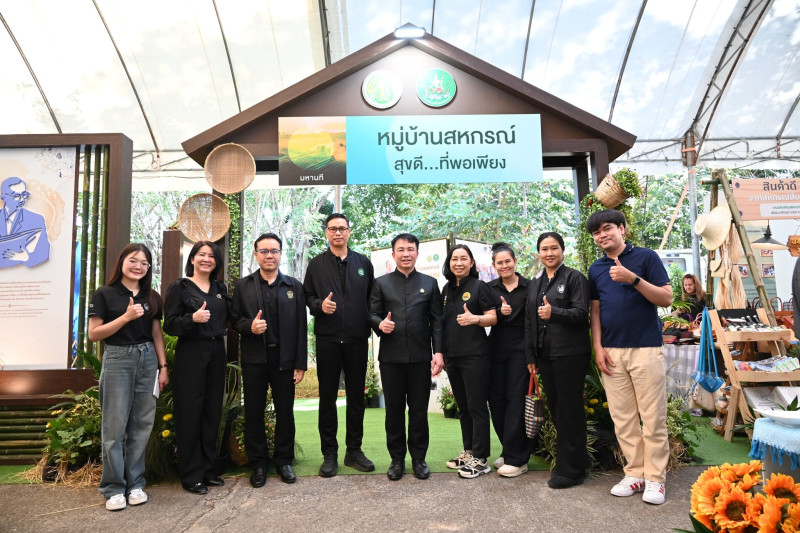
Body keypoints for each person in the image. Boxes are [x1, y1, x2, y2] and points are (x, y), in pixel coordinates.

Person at [586, 209, 672, 505]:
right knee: (622, 418)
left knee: (652, 417)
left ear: (622, 228)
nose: (602, 235)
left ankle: (656, 478)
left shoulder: (646, 257)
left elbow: (666, 298)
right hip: (611, 351)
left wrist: (632, 278)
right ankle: (635, 473)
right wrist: (598, 347)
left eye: (607, 228)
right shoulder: (596, 268)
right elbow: (595, 310)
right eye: (596, 233)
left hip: (645, 347)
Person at [88, 243, 169, 511]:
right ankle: (113, 488)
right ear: (122, 261)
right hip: (118, 358)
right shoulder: (105, 293)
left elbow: (156, 334)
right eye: (133, 260)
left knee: (142, 425)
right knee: (114, 427)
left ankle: (135, 484)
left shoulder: (151, 296)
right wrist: (125, 317)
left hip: (148, 359)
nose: (138, 266)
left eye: (144, 263)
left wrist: (163, 366)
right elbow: (94, 334)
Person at [231, 233, 307, 486]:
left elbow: (301, 326)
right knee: (254, 411)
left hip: (285, 359)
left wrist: (300, 363)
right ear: (256, 254)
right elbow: (234, 319)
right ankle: (259, 464)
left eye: (274, 251)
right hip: (254, 358)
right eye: (264, 251)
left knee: (285, 411)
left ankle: (284, 461)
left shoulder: (294, 286)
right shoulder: (243, 285)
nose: (269, 255)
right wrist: (249, 327)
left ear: (280, 254)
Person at [303, 213, 375, 477]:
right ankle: (329, 454)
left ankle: (354, 451)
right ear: (326, 232)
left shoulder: (363, 263)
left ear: (349, 232)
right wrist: (318, 305)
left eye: (342, 228)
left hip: (357, 339)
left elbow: (372, 300)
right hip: (328, 339)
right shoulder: (316, 264)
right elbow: (307, 296)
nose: (337, 233)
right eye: (332, 229)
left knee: (356, 397)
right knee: (328, 398)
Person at [368, 233, 444, 481]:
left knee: (419, 411)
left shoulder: (430, 284)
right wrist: (380, 324)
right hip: (391, 359)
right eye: (401, 250)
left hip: (421, 358)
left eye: (410, 249)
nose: (406, 254)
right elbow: (372, 314)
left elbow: (437, 321)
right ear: (393, 254)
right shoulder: (381, 283)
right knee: (394, 411)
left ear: (417, 253)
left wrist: (438, 352)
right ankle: (397, 459)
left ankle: (419, 459)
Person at [525, 232, 591, 488]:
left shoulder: (574, 278)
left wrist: (555, 313)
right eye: (544, 249)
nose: (549, 253)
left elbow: (581, 313)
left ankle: (572, 471)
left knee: (570, 410)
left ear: (563, 250)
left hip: (570, 354)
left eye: (554, 248)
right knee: (557, 409)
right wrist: (531, 354)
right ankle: (570, 464)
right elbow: (530, 320)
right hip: (545, 355)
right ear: (538, 253)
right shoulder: (536, 282)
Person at [163, 241, 229, 494]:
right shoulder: (180, 287)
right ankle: (191, 475)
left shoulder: (220, 288)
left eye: (211, 256)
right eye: (201, 254)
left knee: (212, 411)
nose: (206, 259)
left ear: (216, 262)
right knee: (190, 412)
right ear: (192, 259)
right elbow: (170, 325)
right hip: (192, 352)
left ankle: (208, 470)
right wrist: (192, 318)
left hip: (217, 351)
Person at [441, 244, 501, 478]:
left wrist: (474, 319)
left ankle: (481, 459)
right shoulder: (446, 289)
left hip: (475, 356)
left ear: (472, 263)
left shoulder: (479, 286)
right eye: (454, 259)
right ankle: (469, 452)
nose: (458, 263)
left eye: (463, 258)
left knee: (476, 407)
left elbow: (493, 318)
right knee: (464, 408)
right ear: (449, 263)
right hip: (453, 357)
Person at [486, 242, 531, 477]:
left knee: (516, 402)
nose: (504, 266)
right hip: (495, 350)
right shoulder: (489, 289)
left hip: (521, 352)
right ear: (494, 265)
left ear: (515, 261)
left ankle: (518, 459)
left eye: (507, 261)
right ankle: (508, 449)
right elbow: (483, 316)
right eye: (499, 263)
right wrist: (498, 313)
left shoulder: (530, 287)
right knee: (497, 402)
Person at [0, 176, 49, 268]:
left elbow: (44, 252)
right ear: (3, 197)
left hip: (26, 274)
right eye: (16, 196)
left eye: (24, 194)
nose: (22, 199)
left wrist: (26, 257)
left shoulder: (36, 219)